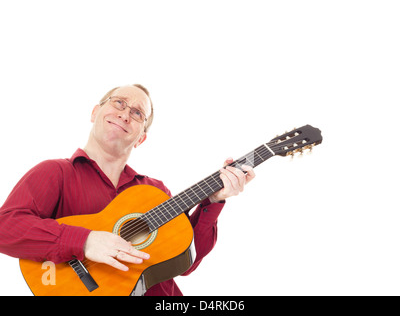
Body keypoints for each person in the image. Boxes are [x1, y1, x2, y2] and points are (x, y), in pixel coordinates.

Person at [0, 84, 255, 295]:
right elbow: (5, 227)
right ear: (95, 112)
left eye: (137, 114)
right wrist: (85, 241)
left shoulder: (154, 191)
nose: (125, 114)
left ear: (141, 138)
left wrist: (213, 200)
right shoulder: (54, 173)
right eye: (119, 103)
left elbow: (184, 263)